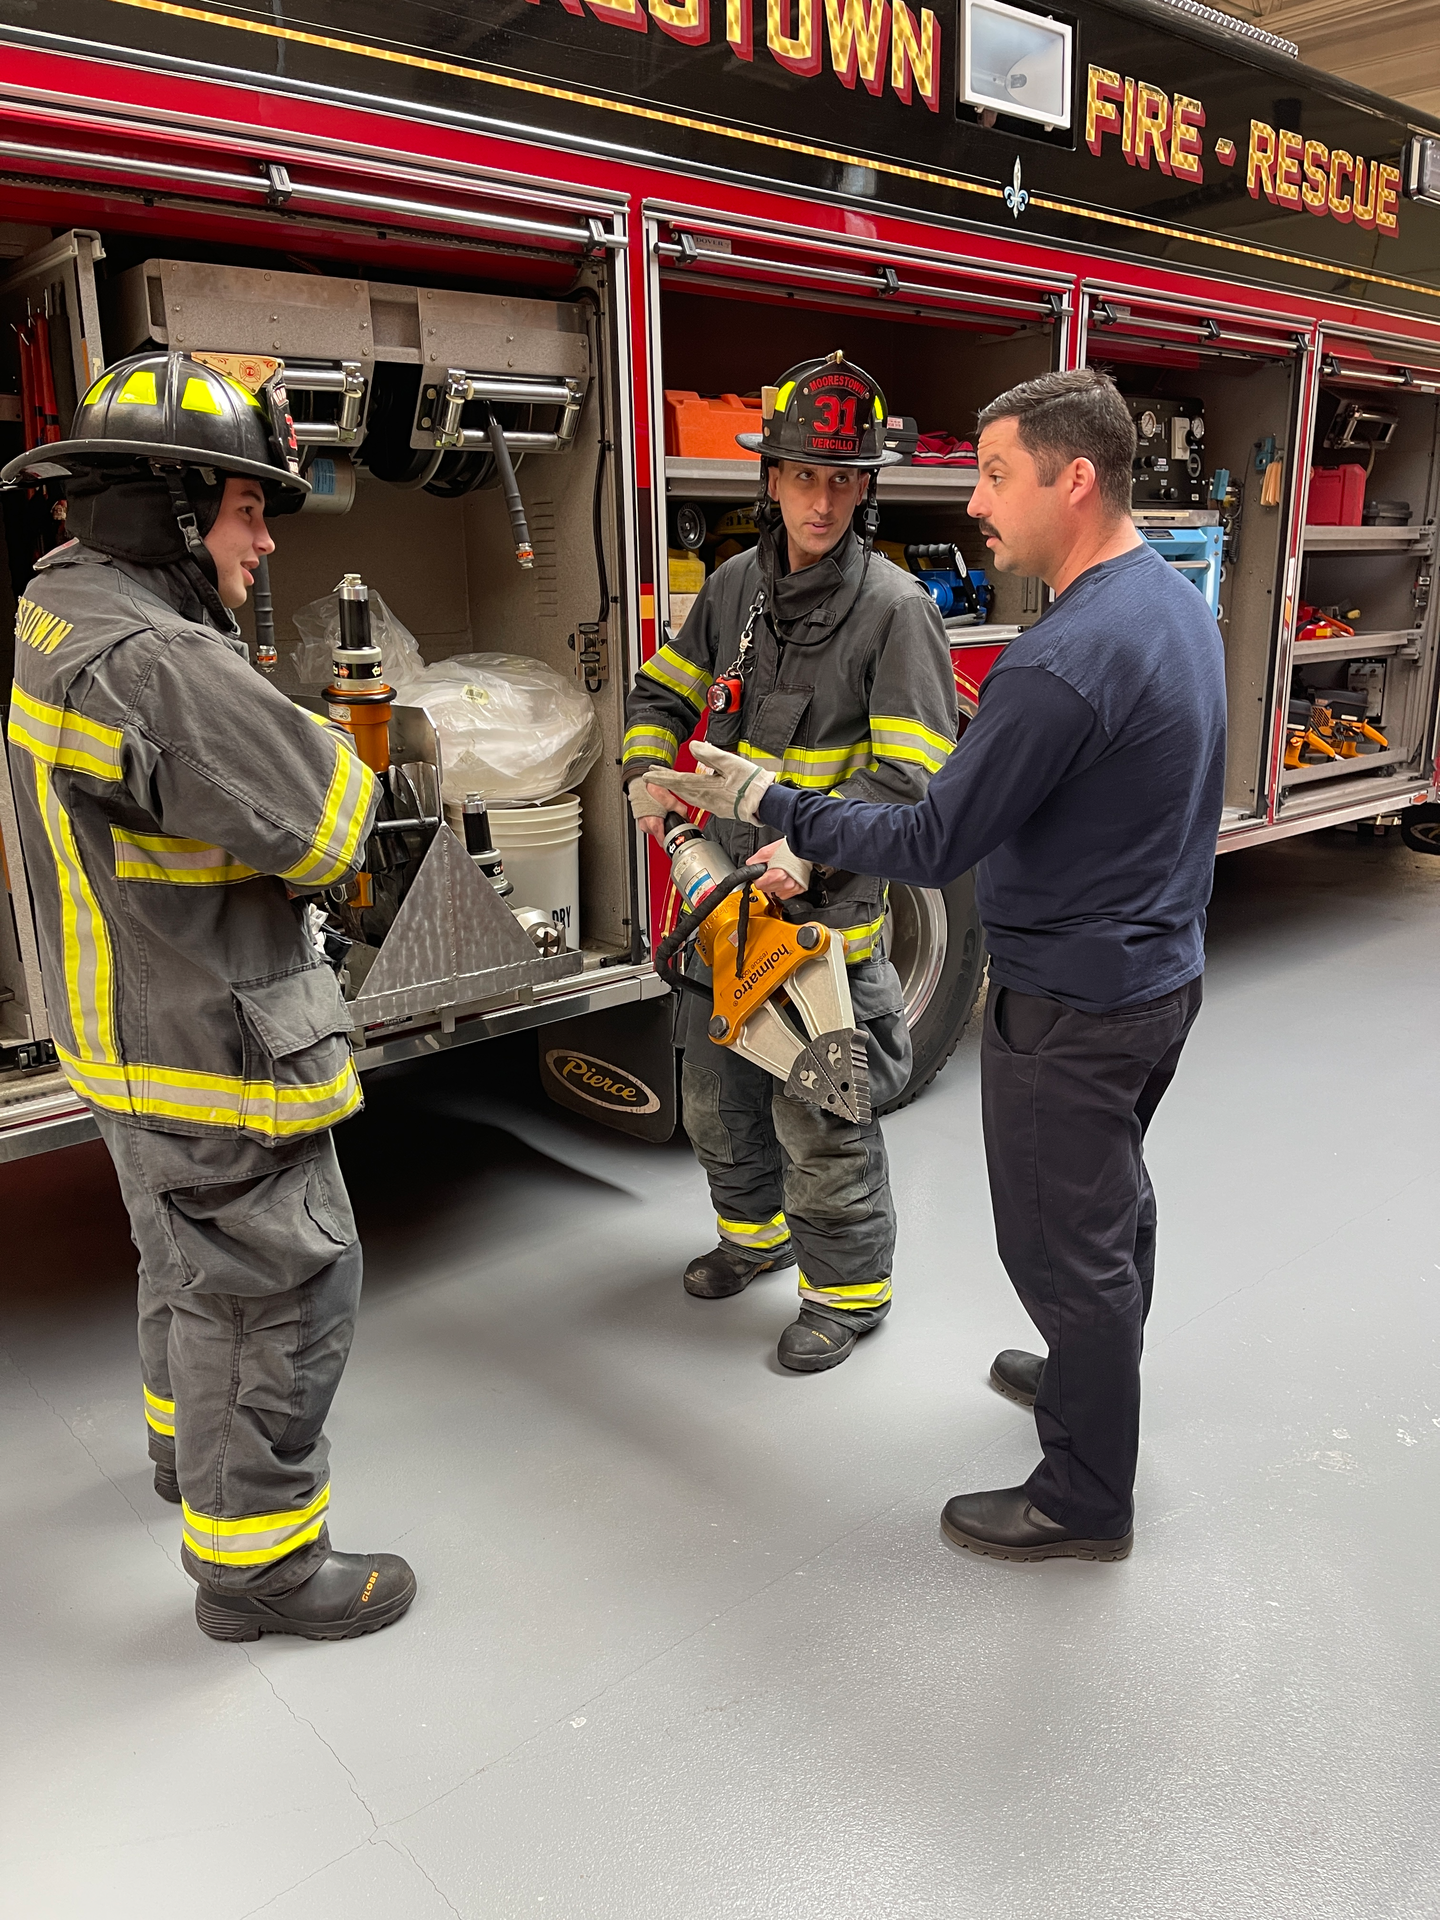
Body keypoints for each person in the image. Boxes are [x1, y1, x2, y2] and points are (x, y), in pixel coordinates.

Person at [646, 367, 1226, 1555]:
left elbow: (929, 836)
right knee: (1109, 1207)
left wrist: (770, 805)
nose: (973, 500)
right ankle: (1089, 1372)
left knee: (1058, 1242)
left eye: (997, 474)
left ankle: (1082, 1499)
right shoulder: (1168, 606)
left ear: (1075, 480)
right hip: (1153, 977)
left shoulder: (1057, 658)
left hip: (1074, 1001)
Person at [3, 351, 415, 1640]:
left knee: (188, 1266)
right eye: (247, 510)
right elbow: (333, 824)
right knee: (280, 1287)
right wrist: (316, 734)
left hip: (131, 1035)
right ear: (171, 509)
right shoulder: (155, 661)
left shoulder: (57, 603)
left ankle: (188, 1463)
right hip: (209, 1042)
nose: (264, 543)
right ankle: (261, 1570)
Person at [623, 351, 957, 1371]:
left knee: (821, 1118)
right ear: (770, 478)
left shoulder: (896, 610)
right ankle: (753, 1239)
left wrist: (807, 853)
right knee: (716, 1101)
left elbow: (914, 782)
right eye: (804, 475)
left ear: (865, 490)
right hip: (722, 911)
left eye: (842, 480)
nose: (821, 501)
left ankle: (847, 1295)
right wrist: (650, 781)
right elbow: (660, 697)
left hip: (821, 925)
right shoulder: (734, 589)